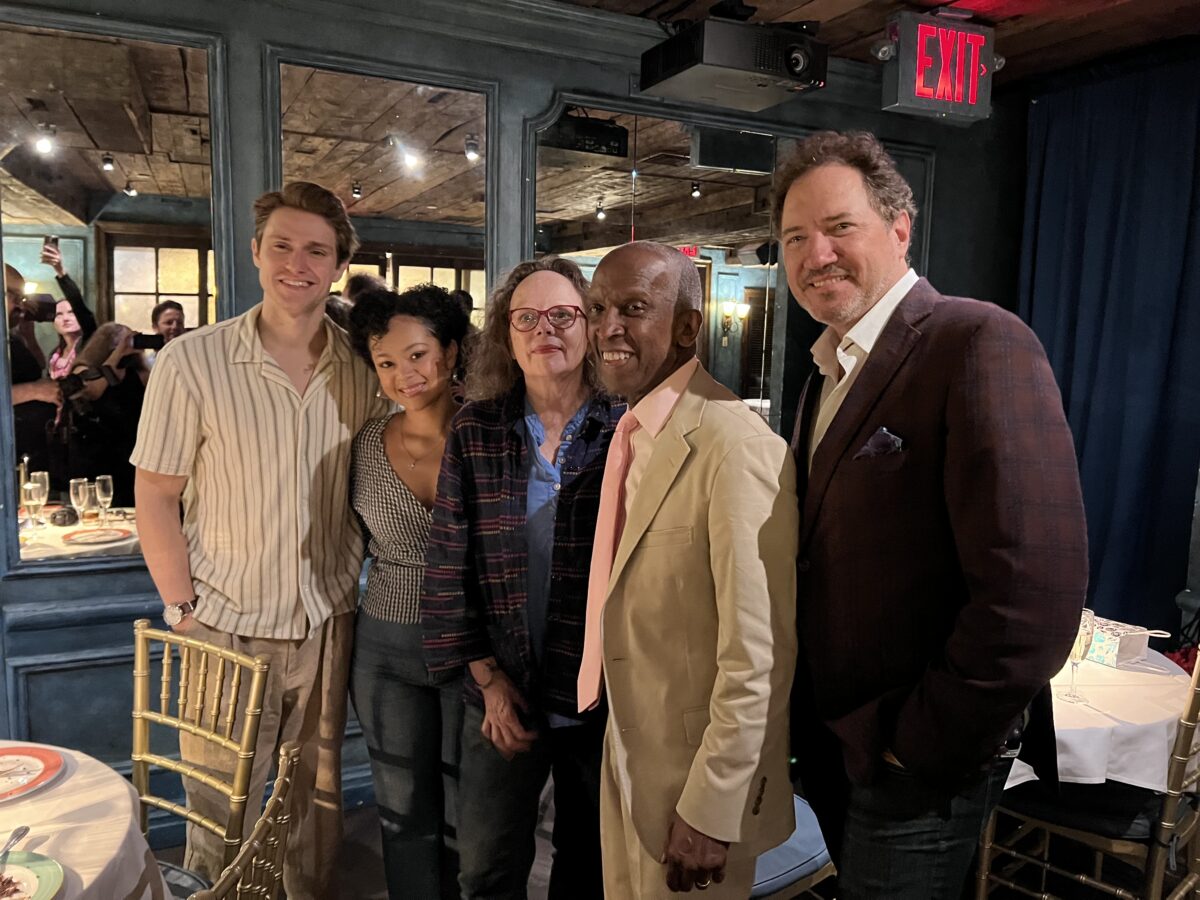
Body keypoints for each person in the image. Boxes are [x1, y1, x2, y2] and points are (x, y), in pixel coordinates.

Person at [776, 130, 1089, 899]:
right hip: (837, 747)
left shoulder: (979, 341)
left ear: (900, 227)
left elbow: (1033, 598)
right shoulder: (824, 370)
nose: (816, 254)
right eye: (794, 237)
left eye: (839, 227)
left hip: (914, 765)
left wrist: (913, 745)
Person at [131, 181, 386, 899]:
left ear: (337, 265)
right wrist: (184, 611)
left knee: (314, 802)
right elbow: (156, 494)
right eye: (282, 245)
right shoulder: (193, 362)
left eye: (316, 250)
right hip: (223, 624)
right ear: (255, 251)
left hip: (328, 623)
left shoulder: (365, 368)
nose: (297, 264)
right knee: (216, 809)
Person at [579, 241, 798, 898]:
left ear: (686, 328)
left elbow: (759, 653)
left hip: (692, 786)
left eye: (634, 308)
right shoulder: (631, 432)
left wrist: (713, 807)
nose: (608, 327)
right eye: (599, 309)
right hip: (628, 750)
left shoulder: (735, 444)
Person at [422, 257, 621, 900]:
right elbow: (450, 563)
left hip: (598, 692)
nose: (546, 330)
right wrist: (487, 680)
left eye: (563, 315)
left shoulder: (627, 427)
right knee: (486, 867)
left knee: (586, 865)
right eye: (527, 318)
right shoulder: (476, 427)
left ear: (589, 327)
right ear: (506, 335)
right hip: (500, 687)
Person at [346, 284, 469, 900]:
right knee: (402, 812)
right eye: (387, 363)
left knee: (469, 812)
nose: (404, 375)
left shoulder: (490, 433)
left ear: (449, 352)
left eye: (417, 355)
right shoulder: (366, 443)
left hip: (473, 651)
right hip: (385, 650)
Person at [6, 263, 59, 473]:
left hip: (28, 451)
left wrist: (27, 334)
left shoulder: (11, 337)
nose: (22, 305)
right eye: (15, 296)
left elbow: (36, 368)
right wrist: (35, 390)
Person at [42, 243, 98, 381]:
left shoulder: (88, 344)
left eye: (71, 312)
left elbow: (79, 306)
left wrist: (60, 272)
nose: (65, 318)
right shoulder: (55, 355)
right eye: (59, 315)